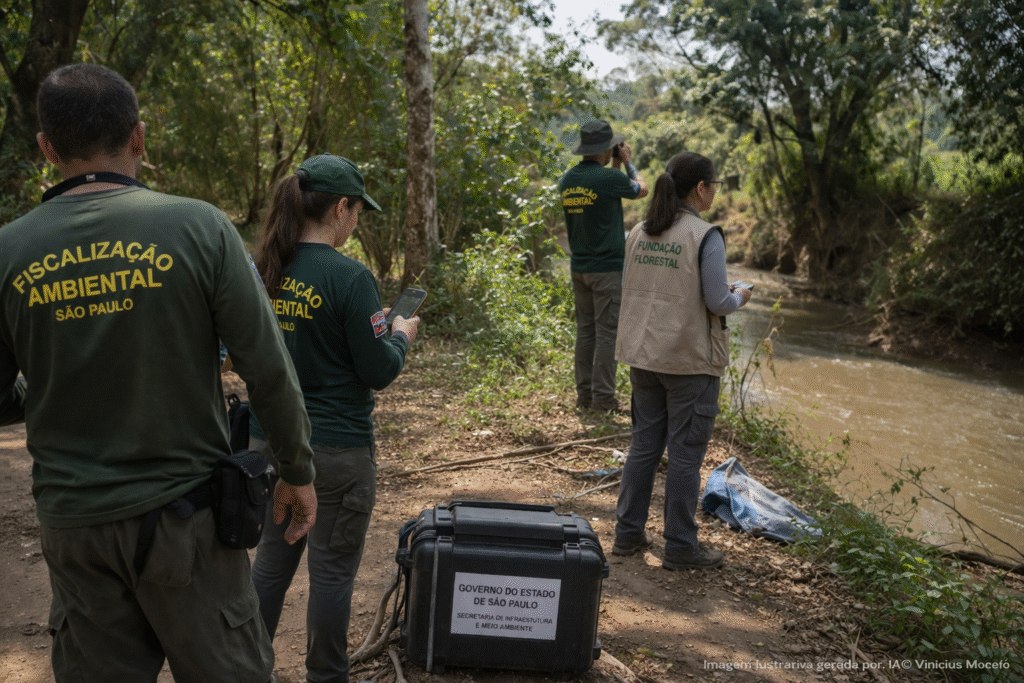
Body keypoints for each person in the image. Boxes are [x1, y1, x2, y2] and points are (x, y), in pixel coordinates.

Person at [0, 64, 317, 682]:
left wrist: (46, 385)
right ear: (139, 137)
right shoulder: (200, 227)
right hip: (187, 524)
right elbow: (267, 367)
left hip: (76, 529)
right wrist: (298, 470)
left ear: (46, 149)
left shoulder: (10, 250)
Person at [248, 153, 420, 683]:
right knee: (331, 575)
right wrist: (400, 336)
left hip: (270, 445)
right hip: (337, 453)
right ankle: (326, 676)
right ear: (341, 207)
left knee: (270, 565)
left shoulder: (265, 268)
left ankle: (244, 668)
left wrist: (374, 330)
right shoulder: (350, 277)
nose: (357, 221)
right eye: (358, 211)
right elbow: (378, 370)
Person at [611, 151, 751, 570]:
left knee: (643, 446)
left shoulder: (639, 231)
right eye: (714, 186)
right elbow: (718, 301)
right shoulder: (705, 236)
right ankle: (680, 547)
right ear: (701, 188)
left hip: (644, 356)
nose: (715, 193)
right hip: (689, 362)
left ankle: (627, 535)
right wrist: (741, 295)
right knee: (686, 456)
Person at [559, 119, 648, 413]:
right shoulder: (609, 179)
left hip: (579, 268)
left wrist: (616, 166)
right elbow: (641, 189)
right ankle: (604, 399)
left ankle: (585, 396)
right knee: (608, 333)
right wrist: (629, 163)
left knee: (586, 332)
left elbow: (605, 189)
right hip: (607, 269)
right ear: (606, 149)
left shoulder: (568, 180)